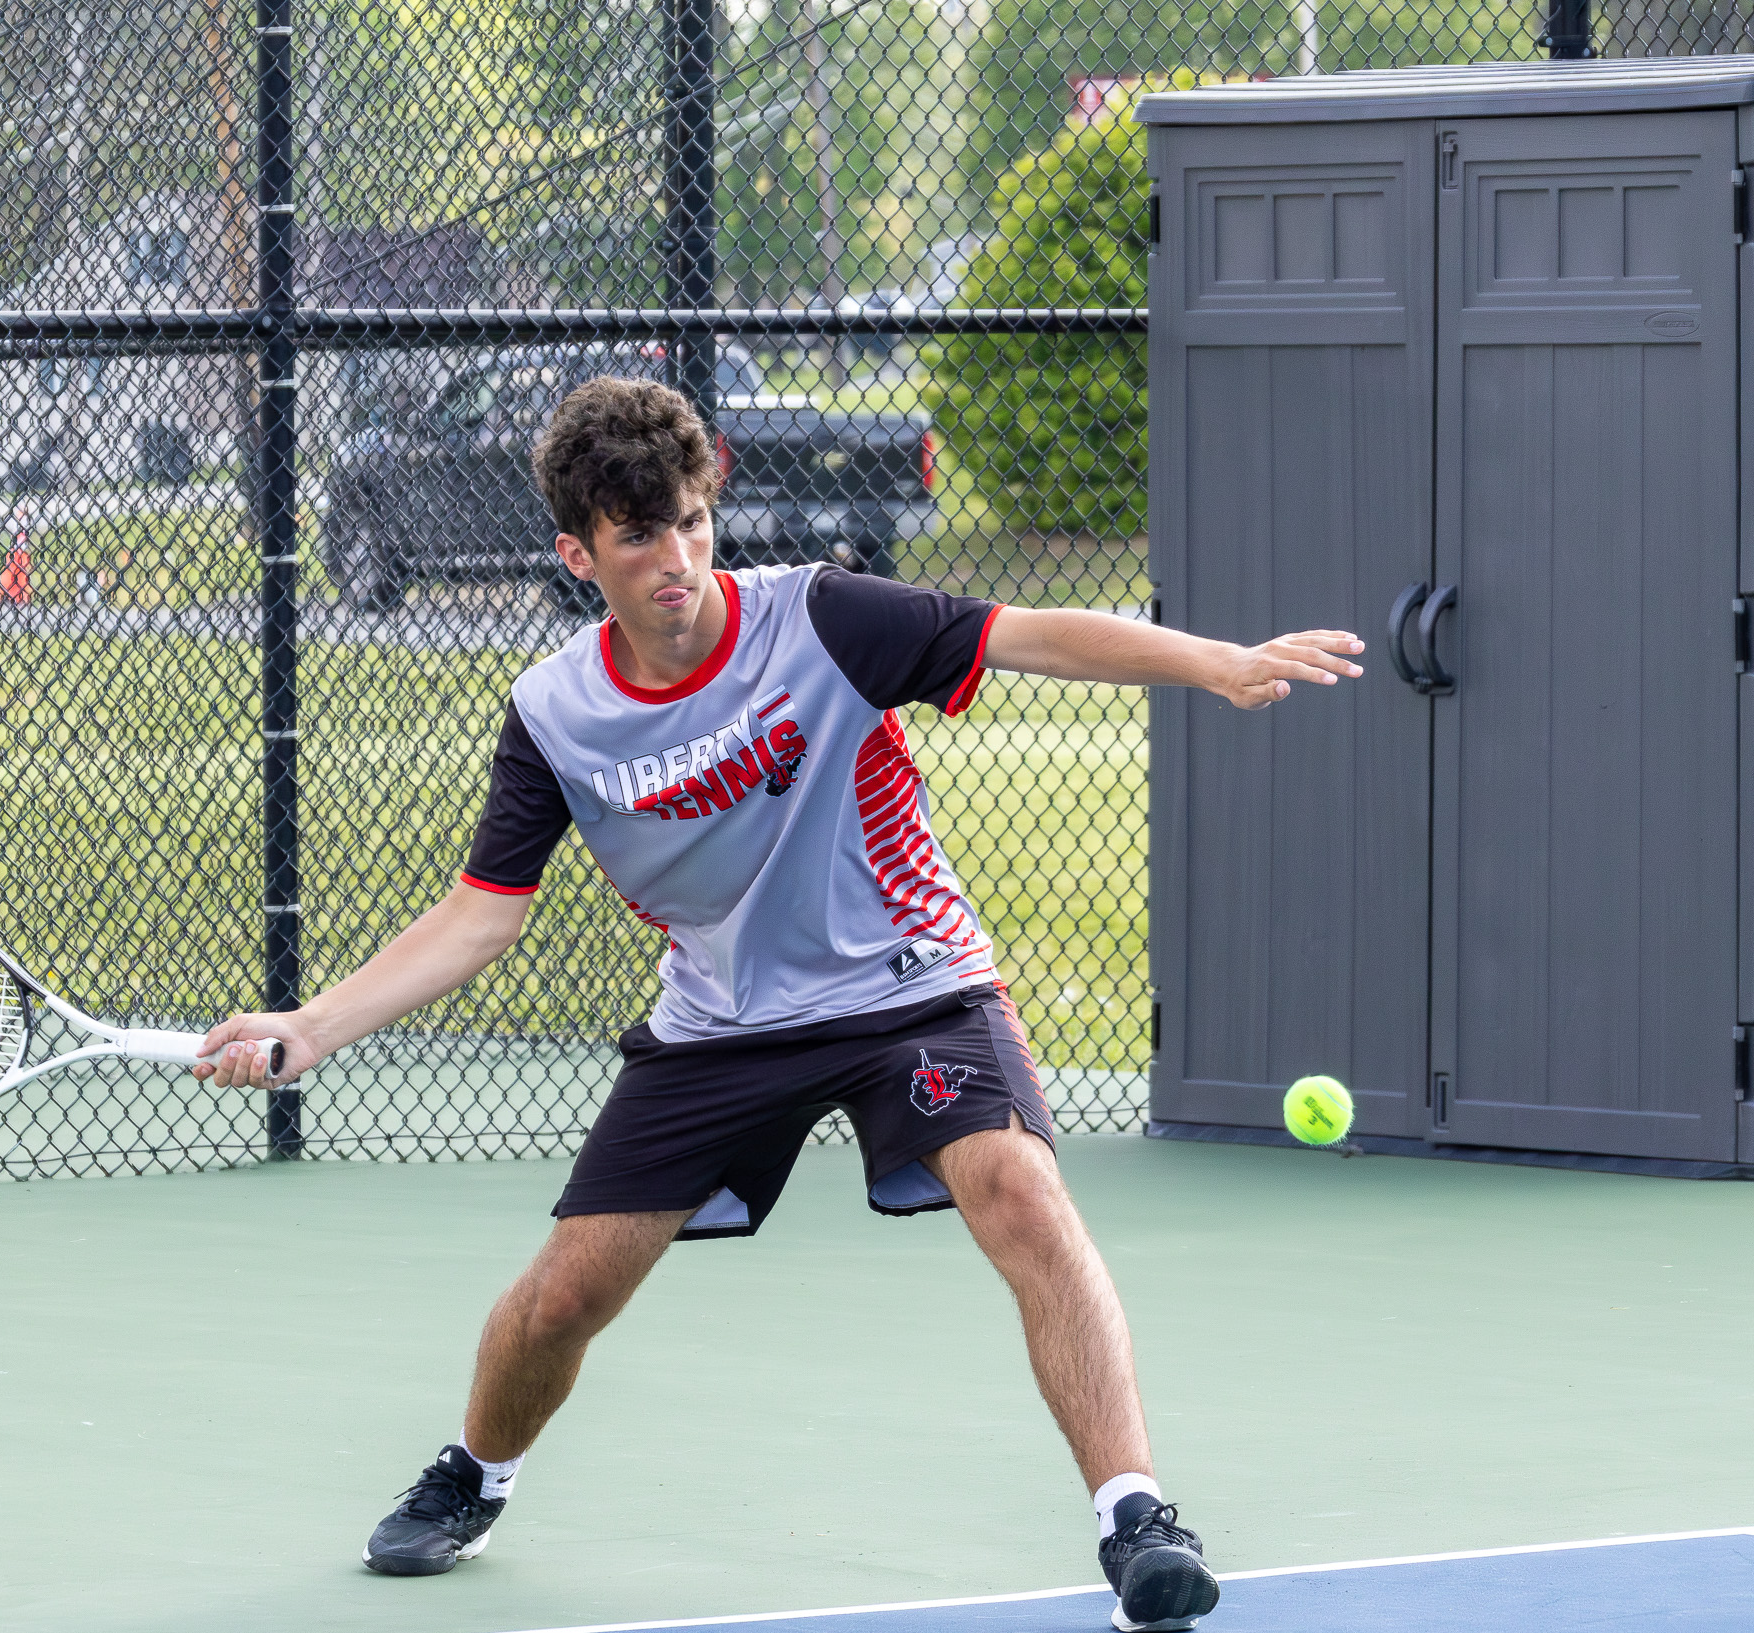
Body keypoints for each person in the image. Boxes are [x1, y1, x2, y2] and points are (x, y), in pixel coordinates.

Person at [198, 377, 1363, 1633]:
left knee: (1021, 1193)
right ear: (577, 554)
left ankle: (1136, 1519)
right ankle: (474, 1474)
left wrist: (1218, 665)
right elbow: (481, 913)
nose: (676, 558)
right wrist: (308, 1027)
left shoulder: (820, 618)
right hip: (720, 1026)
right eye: (638, 536)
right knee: (566, 1295)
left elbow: (1027, 633)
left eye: (691, 522)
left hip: (910, 985)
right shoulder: (553, 714)